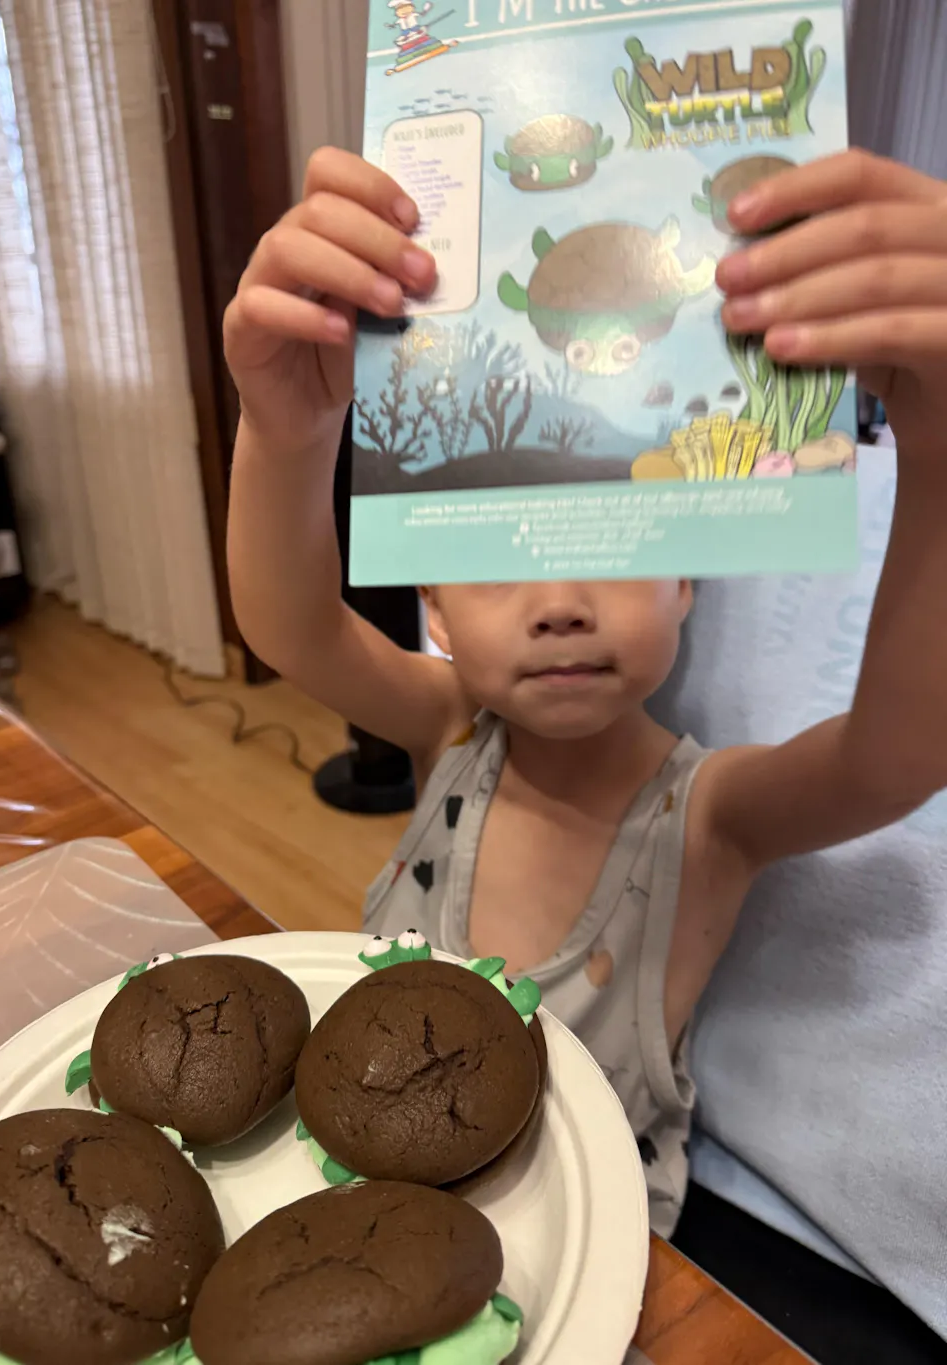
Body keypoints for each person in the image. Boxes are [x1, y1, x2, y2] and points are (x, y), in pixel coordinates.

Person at [224, 146, 947, 1240]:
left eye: (614, 545)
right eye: (500, 560)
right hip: (367, 1194)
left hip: (586, 1251)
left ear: (687, 580)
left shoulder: (709, 814)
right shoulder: (448, 731)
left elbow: (897, 754)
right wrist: (288, 428)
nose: (560, 604)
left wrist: (937, 450)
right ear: (433, 605)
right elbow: (292, 627)